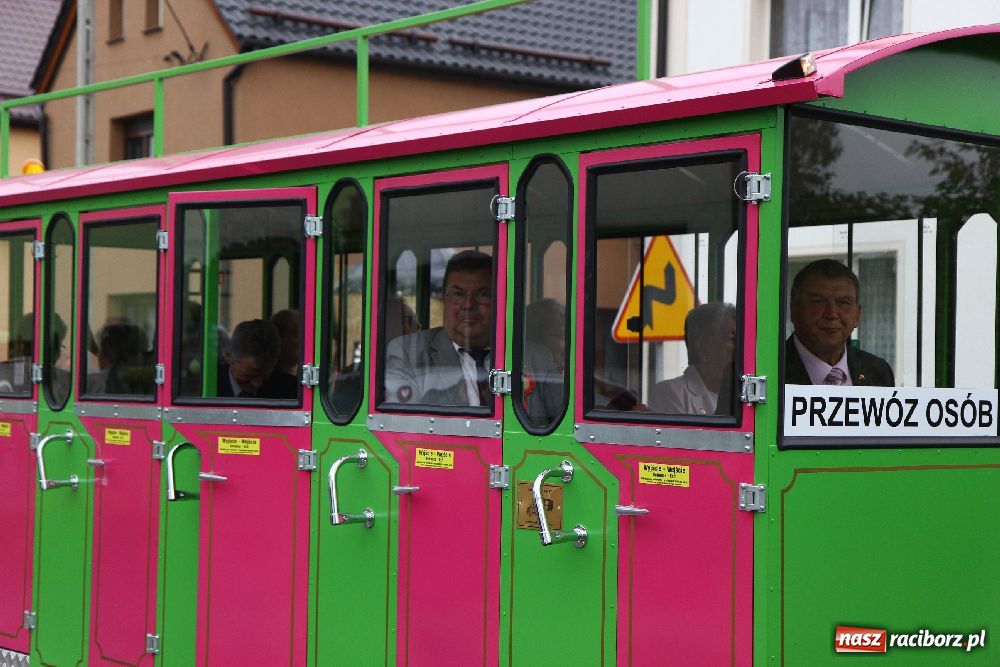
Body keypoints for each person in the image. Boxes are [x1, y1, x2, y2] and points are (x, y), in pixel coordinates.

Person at [383, 250, 560, 421]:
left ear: (500, 301)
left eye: (482, 294)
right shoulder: (407, 352)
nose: (469, 305)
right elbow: (399, 428)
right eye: (458, 294)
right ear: (445, 300)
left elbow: (560, 427)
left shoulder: (538, 358)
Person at [786, 259, 894, 386]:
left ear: (857, 315)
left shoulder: (878, 372)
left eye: (843, 302)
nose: (831, 313)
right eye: (818, 301)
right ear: (794, 311)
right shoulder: (769, 367)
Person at [650, 302, 736, 415]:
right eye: (732, 339)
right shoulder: (670, 394)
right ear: (703, 348)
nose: (740, 348)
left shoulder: (742, 394)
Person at [217, 319, 297, 399]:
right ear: (229, 356)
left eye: (265, 376)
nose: (257, 384)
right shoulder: (209, 386)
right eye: (249, 376)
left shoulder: (290, 391)